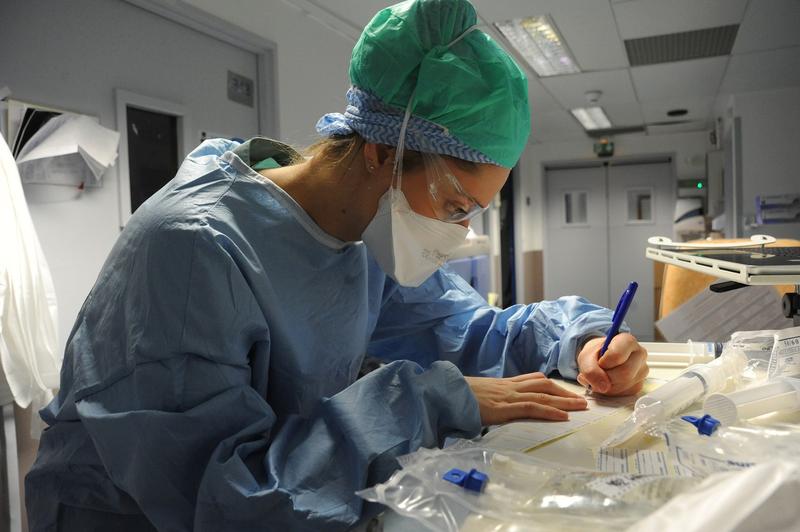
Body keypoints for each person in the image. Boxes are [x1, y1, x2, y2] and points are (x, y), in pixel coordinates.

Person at [26, 0, 648, 530]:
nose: (461, 232)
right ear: (383, 151)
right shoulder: (194, 251)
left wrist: (585, 339)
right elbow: (225, 496)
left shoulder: (361, 239)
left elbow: (469, 332)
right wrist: (420, 404)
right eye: (457, 205)